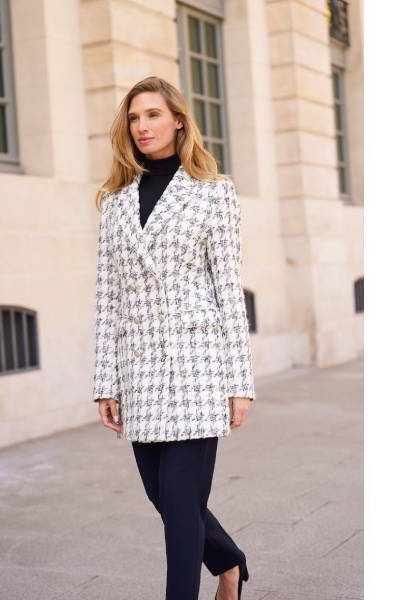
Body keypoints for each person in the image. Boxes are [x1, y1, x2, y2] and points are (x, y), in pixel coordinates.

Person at [91, 75, 255, 600]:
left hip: (196, 367)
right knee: (164, 497)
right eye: (134, 118)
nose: (142, 126)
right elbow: (108, 296)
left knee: (181, 510)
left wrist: (240, 382)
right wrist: (105, 381)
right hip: (138, 370)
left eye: (153, 115)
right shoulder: (115, 201)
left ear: (179, 121)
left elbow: (228, 289)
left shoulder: (213, 192)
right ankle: (229, 563)